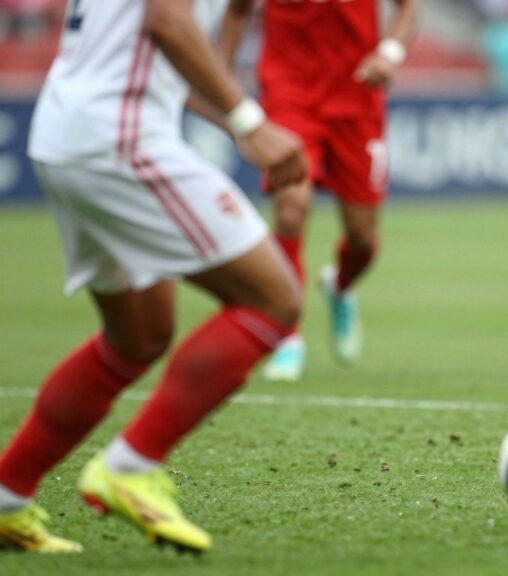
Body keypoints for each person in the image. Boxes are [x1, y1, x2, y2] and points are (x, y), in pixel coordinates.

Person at [0, 0, 308, 553]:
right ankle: (130, 467)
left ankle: (5, 496)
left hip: (68, 134)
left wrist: (242, 121)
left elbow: (179, 58)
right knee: (273, 300)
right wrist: (251, 123)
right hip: (119, 137)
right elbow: (166, 19)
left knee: (136, 338)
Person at [221, 0, 419, 382]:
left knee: (362, 239)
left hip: (358, 95)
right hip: (289, 93)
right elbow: (238, 10)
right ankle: (286, 333)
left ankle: (340, 286)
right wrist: (223, 77)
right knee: (291, 208)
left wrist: (389, 53)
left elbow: (408, 7)